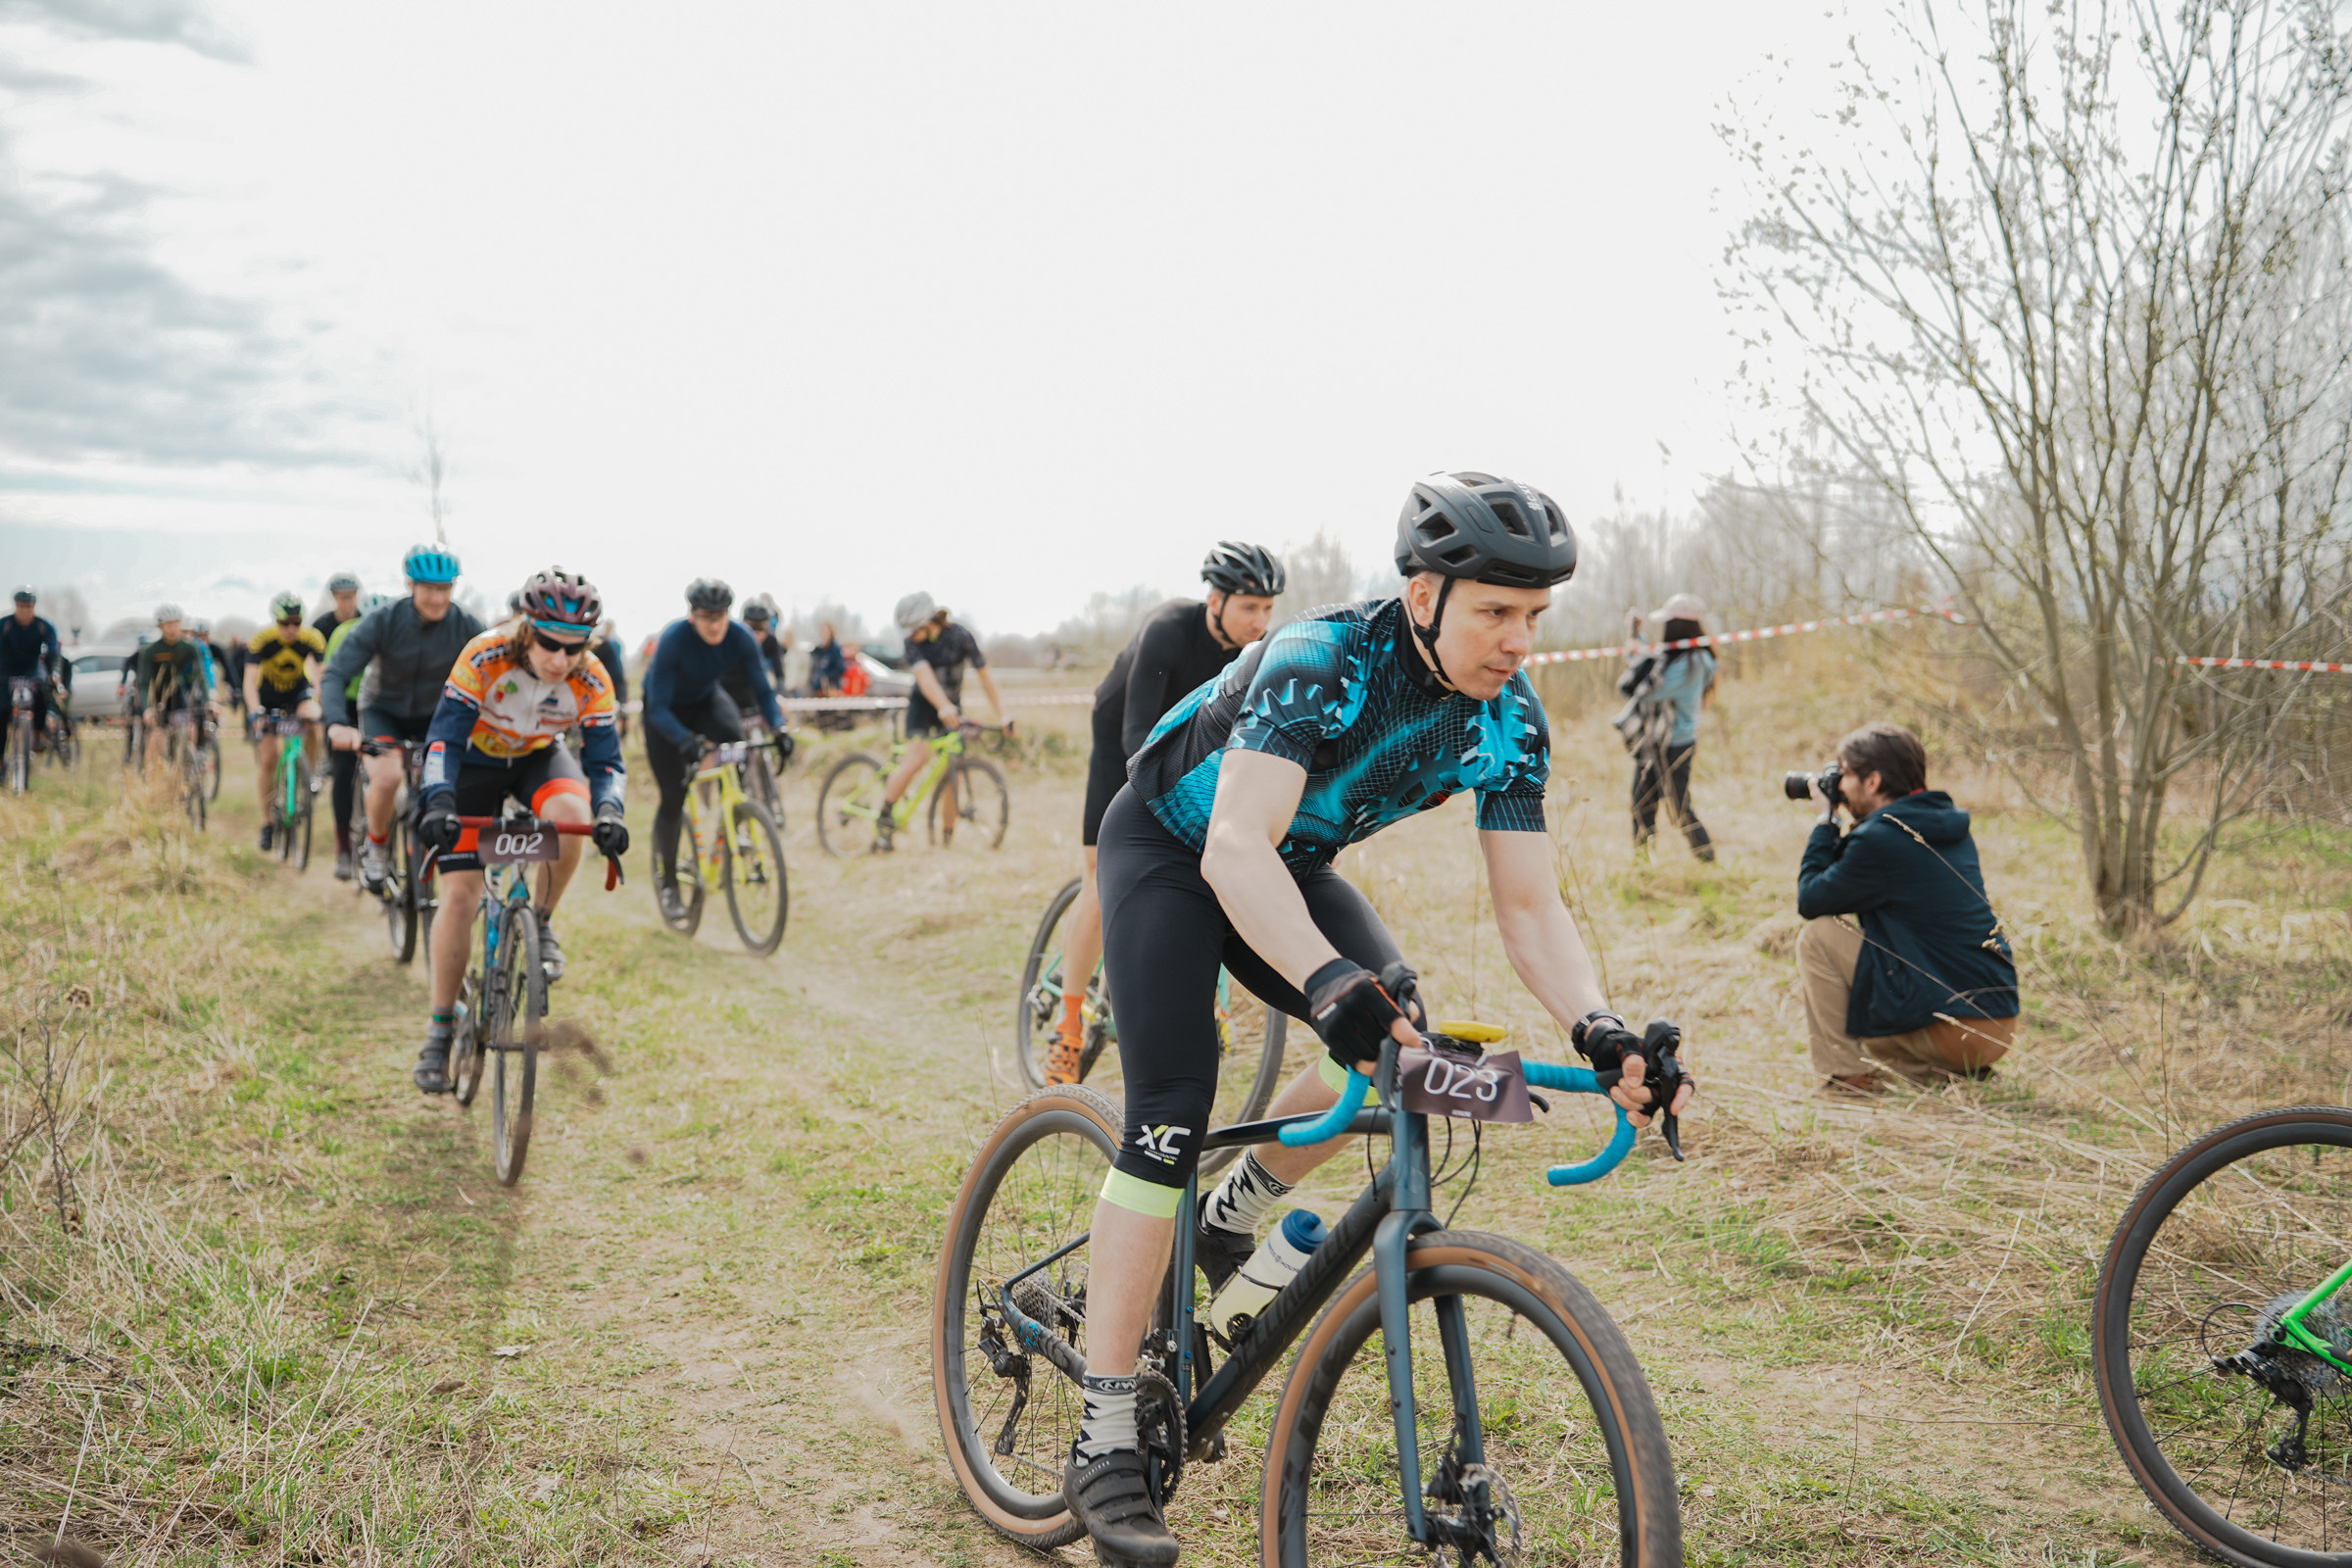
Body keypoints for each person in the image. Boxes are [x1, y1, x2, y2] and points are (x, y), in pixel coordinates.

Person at [1057, 471, 1694, 1566]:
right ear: (1422, 593)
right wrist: (1323, 983)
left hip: (1288, 866)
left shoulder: (1510, 721)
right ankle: (1105, 1427)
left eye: (1535, 617)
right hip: (1174, 848)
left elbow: (1532, 908)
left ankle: (1235, 1212)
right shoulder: (1322, 660)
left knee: (1404, 1034)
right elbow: (1231, 850)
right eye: (1496, 612)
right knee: (1170, 1108)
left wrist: (1602, 1029)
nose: (1517, 641)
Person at [1046, 542, 1287, 1085]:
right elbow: (1137, 736)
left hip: (1190, 750)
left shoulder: (1258, 651)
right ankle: (1067, 1026)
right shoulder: (1168, 630)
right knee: (1101, 882)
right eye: (1250, 607)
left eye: (1269, 610)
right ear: (1215, 599)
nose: (1260, 621)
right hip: (1123, 744)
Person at [411, 568, 626, 1093]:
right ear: (527, 629)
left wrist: (611, 812)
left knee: (572, 814)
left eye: (574, 648)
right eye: (550, 644)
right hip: (473, 765)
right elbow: (443, 740)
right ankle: (440, 1029)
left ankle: (543, 922)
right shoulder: (485, 655)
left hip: (535, 760)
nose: (560, 659)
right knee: (459, 898)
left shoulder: (592, 677)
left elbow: (606, 763)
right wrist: (438, 799)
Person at [1794, 720, 2020, 1095]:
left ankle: (1849, 1079)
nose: (1840, 786)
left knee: (1819, 937)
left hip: (1953, 1031)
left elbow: (1811, 899)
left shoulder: (1881, 839)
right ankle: (1952, 1073)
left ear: (1873, 782)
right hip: (1998, 1026)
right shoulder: (1947, 826)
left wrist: (1826, 820)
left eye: (1845, 774)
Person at [322, 544, 483, 894]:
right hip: (384, 711)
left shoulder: (467, 626)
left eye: (445, 589)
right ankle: (376, 846)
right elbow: (335, 672)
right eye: (429, 589)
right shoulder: (383, 620)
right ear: (410, 585)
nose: (438, 599)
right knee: (387, 776)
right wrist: (336, 722)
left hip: (437, 718)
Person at [641, 579, 789, 924]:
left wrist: (779, 728)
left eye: (720, 616)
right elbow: (658, 707)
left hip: (705, 701)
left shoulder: (741, 638)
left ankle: (735, 809)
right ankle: (669, 884)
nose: (714, 625)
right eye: (706, 617)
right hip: (663, 713)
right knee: (672, 796)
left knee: (734, 735)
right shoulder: (674, 641)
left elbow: (763, 691)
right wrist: (684, 740)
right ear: (692, 616)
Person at [872, 593, 1011, 850]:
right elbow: (925, 680)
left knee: (954, 775)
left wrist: (1003, 714)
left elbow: (985, 675)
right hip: (923, 707)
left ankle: (946, 839)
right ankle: (885, 815)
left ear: (927, 623)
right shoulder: (913, 645)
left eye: (912, 632)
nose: (908, 638)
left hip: (951, 708)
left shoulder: (961, 636)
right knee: (917, 757)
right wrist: (943, 705)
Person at [1617, 591, 1716, 859]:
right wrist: (1636, 637)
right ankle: (1643, 864)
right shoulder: (1679, 658)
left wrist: (1637, 652)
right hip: (1654, 740)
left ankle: (1707, 859)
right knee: (1641, 805)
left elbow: (1648, 688)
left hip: (1675, 744)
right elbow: (1651, 669)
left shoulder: (1694, 663)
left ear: (1677, 626)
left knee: (1680, 808)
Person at [319, 593, 395, 878]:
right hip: (349, 706)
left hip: (381, 707)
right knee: (343, 769)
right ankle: (343, 849)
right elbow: (331, 674)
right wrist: (333, 719)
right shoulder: (344, 633)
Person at [244, 592, 327, 850]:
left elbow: (322, 677)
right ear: (276, 622)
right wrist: (254, 710)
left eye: (296, 622)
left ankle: (309, 772)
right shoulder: (262, 641)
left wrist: (323, 704)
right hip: (267, 697)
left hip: (297, 694)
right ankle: (267, 823)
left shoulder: (311, 638)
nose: (291, 629)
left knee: (314, 718)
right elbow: (249, 681)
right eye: (285, 624)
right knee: (268, 760)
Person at [127, 605, 215, 749]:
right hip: (154, 694)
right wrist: (147, 708)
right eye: (168, 624)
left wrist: (208, 699)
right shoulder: (151, 651)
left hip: (176, 691)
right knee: (156, 735)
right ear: (161, 626)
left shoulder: (190, 648)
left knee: (190, 726)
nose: (173, 628)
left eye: (176, 624)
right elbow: (143, 683)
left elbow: (201, 675)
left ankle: (190, 762)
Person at [1, 588, 60, 771]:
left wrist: (54, 673)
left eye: (28, 606)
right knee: (1, 713)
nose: (24, 610)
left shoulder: (44, 626)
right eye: (21, 606)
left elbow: (53, 653)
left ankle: (37, 735)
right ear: (15, 606)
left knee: (43, 691)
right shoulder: (4, 625)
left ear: (33, 607)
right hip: (5, 670)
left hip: (32, 670)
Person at [313, 572, 363, 646]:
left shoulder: (365, 620)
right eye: (343, 598)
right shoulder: (321, 626)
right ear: (334, 597)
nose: (347, 602)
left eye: (350, 597)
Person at [808, 621, 847, 696]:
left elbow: (840, 667)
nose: (823, 633)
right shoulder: (818, 649)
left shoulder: (835, 648)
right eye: (822, 631)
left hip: (831, 687)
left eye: (825, 631)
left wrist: (827, 677)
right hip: (818, 687)